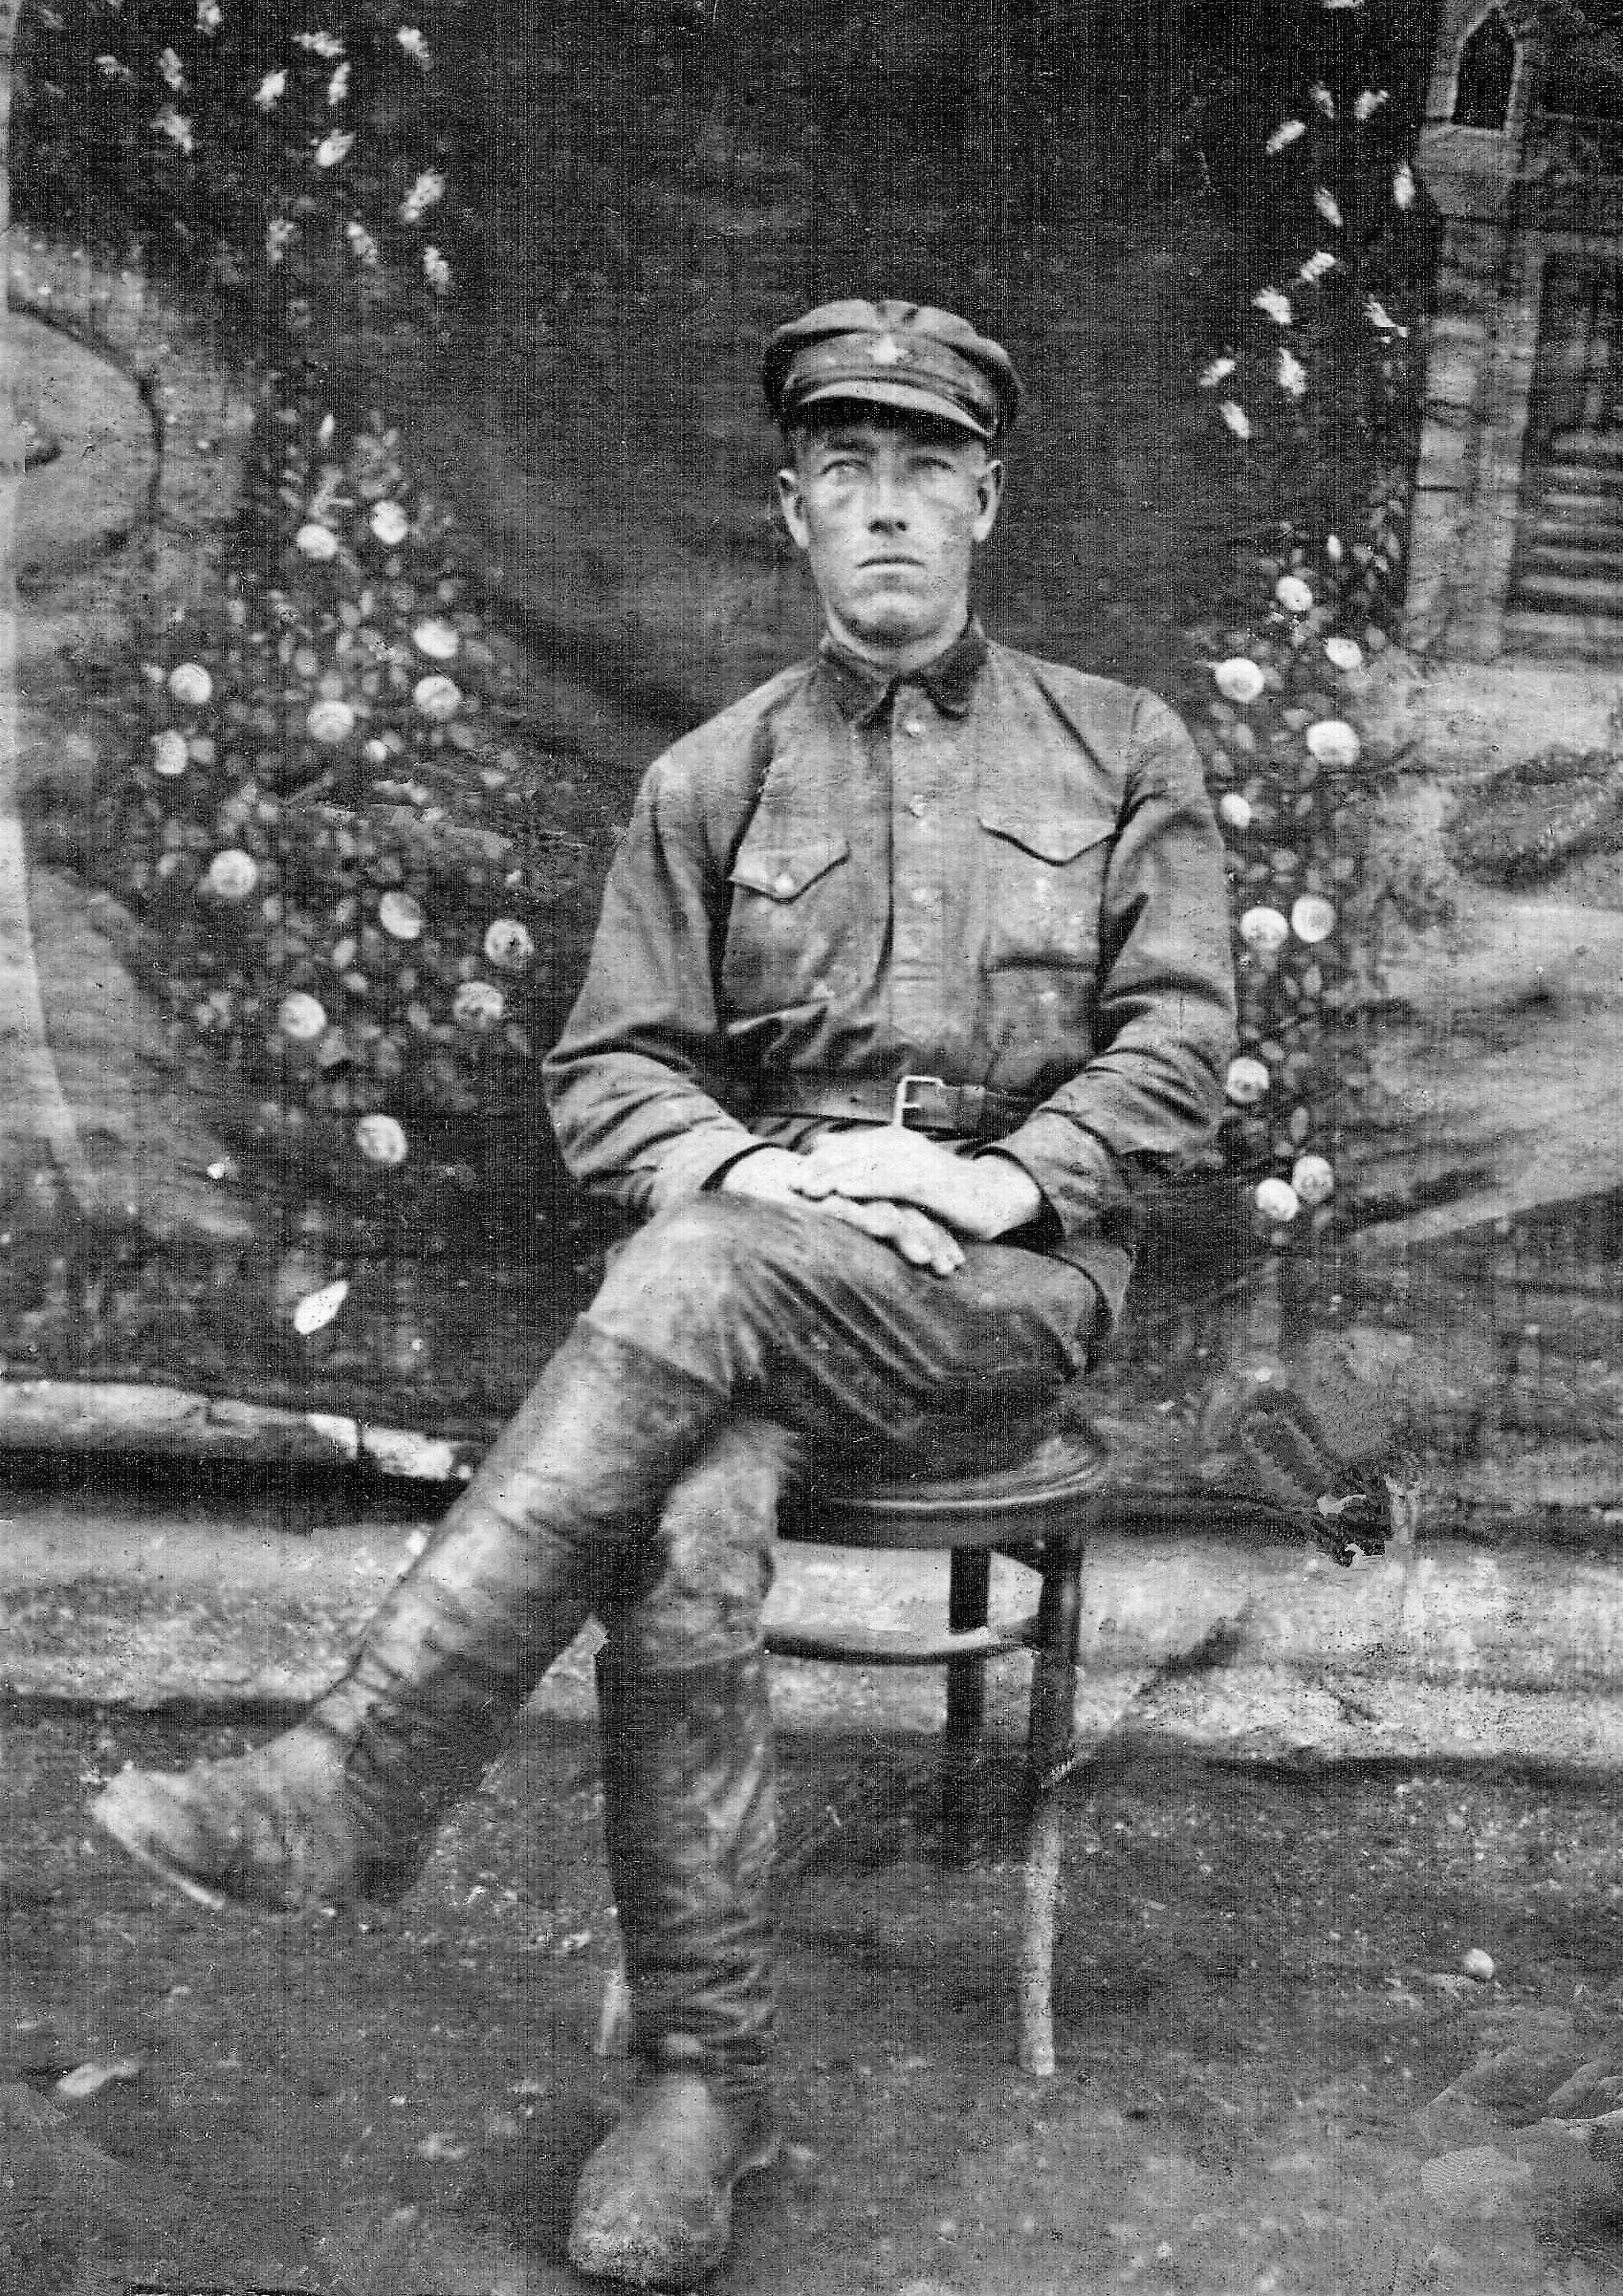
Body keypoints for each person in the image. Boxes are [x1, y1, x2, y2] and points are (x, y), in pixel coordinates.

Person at [93, 298, 1238, 2290]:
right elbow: (612, 1069)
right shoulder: (714, 777)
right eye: (846, 472)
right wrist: (769, 1173)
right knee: (692, 1516)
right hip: (762, 1272)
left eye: (927, 471)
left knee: (689, 1269)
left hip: (995, 1297)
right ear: (794, 512)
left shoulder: (1122, 747)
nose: (889, 509)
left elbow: (1178, 1052)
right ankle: (704, 2084)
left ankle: (365, 1772)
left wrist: (978, 1177)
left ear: (988, 502)